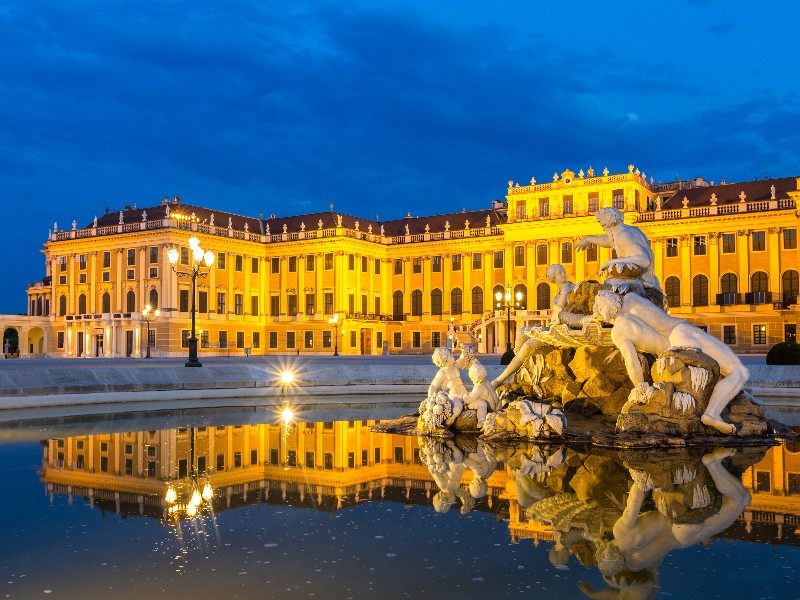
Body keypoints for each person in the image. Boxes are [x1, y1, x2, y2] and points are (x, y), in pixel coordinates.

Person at [592, 289, 748, 434]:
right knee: (739, 371)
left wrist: (640, 389)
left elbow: (632, 364)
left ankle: (729, 396)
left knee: (732, 372)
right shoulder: (631, 299)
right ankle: (713, 412)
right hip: (681, 332)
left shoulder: (618, 332)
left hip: (669, 349)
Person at [491, 264, 575, 389]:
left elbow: (560, 313)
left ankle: (501, 379)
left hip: (566, 331)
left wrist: (565, 292)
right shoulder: (556, 297)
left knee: (528, 345)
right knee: (520, 332)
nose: (564, 274)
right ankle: (521, 362)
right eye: (560, 273)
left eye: (563, 271)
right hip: (556, 329)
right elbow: (556, 316)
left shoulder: (574, 289)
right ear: (553, 278)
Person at [576, 207, 661, 297]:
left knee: (605, 290)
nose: (600, 224)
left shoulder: (623, 235)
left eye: (601, 221)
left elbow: (644, 260)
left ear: (610, 220)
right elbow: (609, 240)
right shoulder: (624, 230)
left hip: (639, 281)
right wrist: (589, 239)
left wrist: (610, 262)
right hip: (640, 280)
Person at [463, 363, 500, 427]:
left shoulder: (478, 387)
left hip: (491, 409)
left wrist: (465, 397)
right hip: (498, 406)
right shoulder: (487, 382)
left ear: (472, 378)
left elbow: (469, 400)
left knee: (481, 402)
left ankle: (481, 420)